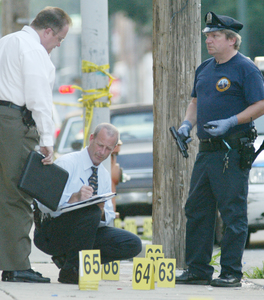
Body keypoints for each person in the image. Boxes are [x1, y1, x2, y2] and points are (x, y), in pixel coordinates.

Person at [175, 12, 264, 287]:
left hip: (232, 151)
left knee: (232, 213)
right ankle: (198, 269)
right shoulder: (205, 68)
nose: (208, 40)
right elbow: (195, 101)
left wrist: (231, 121)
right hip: (206, 150)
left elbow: (260, 104)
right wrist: (187, 125)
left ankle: (231, 272)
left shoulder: (244, 68)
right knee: (197, 210)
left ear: (231, 40)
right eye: (207, 36)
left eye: (214, 36)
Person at [0, 7, 72, 283]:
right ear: (48, 31)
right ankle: (17, 265)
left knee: (3, 194)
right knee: (19, 195)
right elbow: (39, 98)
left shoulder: (6, 41)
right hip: (16, 123)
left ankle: (10, 260)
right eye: (59, 39)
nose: (57, 45)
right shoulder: (32, 50)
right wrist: (47, 140)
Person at [34, 123, 142, 284]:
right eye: (100, 145)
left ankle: (72, 261)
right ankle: (72, 270)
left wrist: (101, 211)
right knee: (90, 212)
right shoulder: (67, 163)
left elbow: (109, 218)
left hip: (86, 232)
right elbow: (42, 205)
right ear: (91, 138)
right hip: (52, 232)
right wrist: (74, 198)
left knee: (132, 244)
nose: (102, 152)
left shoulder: (104, 175)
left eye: (108, 149)